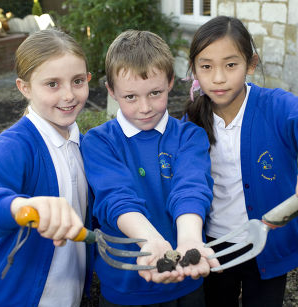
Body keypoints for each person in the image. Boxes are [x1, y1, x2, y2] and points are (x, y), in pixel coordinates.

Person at [183, 16, 298, 307]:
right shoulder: (191, 122)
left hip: (267, 246)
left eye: (231, 65)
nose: (219, 77)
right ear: (195, 70)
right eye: (206, 66)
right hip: (213, 246)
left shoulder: (276, 106)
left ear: (251, 64)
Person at [0, 28, 94, 306]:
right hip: (14, 297)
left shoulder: (81, 142)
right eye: (52, 84)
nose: (69, 95)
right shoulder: (15, 146)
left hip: (69, 293)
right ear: (25, 88)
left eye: (78, 81)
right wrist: (19, 208)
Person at [82, 30, 219, 307]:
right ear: (111, 91)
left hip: (187, 280)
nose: (144, 107)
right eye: (130, 97)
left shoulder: (189, 137)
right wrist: (150, 242)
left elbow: (190, 188)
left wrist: (190, 240)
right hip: (126, 286)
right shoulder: (99, 141)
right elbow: (115, 197)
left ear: (170, 82)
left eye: (155, 93)